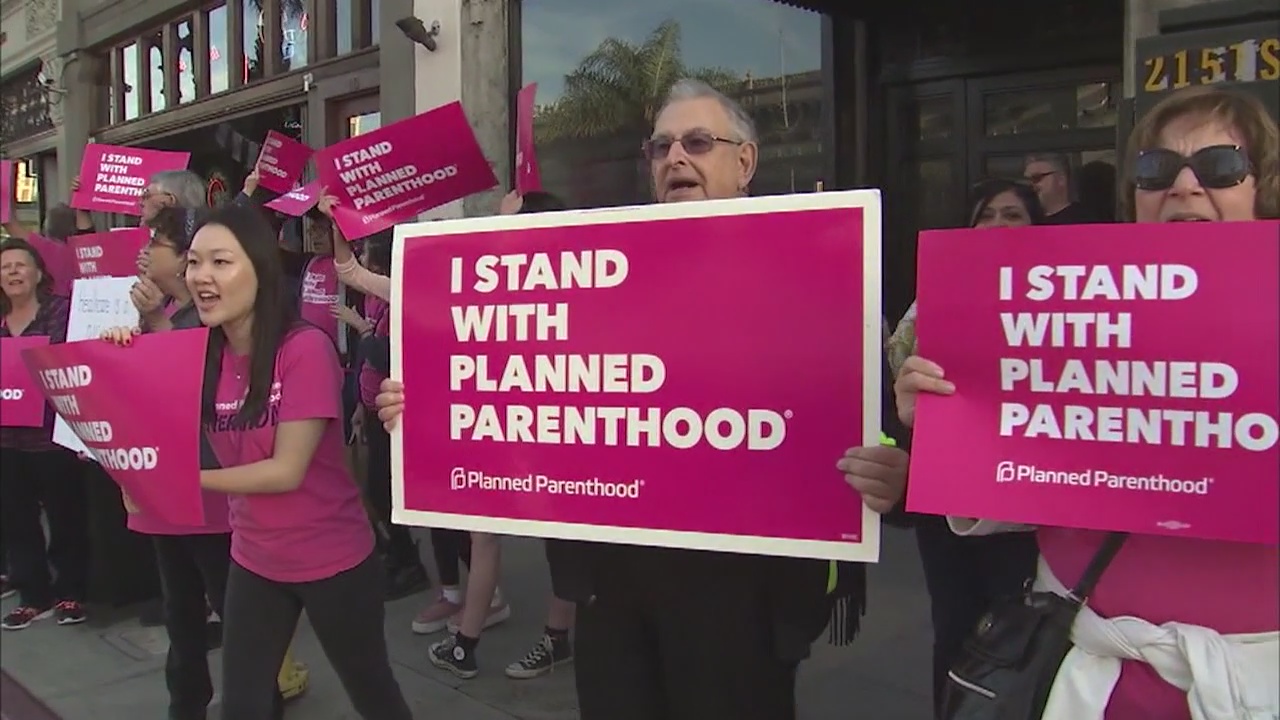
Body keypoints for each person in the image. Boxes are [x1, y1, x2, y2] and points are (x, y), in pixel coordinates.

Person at [378, 79, 889, 719]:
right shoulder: (602, 275)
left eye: (698, 142)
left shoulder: (818, 272)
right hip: (615, 598)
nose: (676, 157)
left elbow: (874, 428)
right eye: (661, 146)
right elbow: (530, 388)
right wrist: (429, 409)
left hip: (746, 605)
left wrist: (893, 475)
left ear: (745, 162)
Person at [895, 86, 1278, 719]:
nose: (1183, 187)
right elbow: (1011, 499)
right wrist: (950, 426)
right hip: (1089, 686)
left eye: (1218, 166)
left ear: (1261, 187)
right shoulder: (1068, 313)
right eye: (1156, 170)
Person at [185, 203, 412, 720]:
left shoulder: (304, 348)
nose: (202, 276)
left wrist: (183, 481)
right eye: (194, 262)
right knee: (242, 705)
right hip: (254, 559)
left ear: (259, 270)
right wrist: (123, 343)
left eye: (220, 262)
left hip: (332, 559)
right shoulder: (198, 354)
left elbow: (286, 471)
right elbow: (138, 394)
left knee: (375, 696)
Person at [884, 179, 1046, 714]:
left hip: (1026, 511)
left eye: (1013, 215)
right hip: (946, 509)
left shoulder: (1064, 300)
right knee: (954, 629)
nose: (998, 225)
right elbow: (895, 386)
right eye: (987, 215)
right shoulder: (936, 300)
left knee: (1024, 639)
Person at [0, 238, 90, 631]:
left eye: (21, 265)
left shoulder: (61, 314)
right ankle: (32, 596)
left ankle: (71, 590)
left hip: (53, 435)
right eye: (5, 267)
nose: (13, 272)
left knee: (65, 515)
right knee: (16, 519)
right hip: (6, 440)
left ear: (39, 273)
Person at [1023, 153, 1098, 224]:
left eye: (1036, 178)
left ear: (1061, 179)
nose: (1030, 185)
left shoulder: (1084, 220)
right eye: (1027, 180)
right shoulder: (1024, 220)